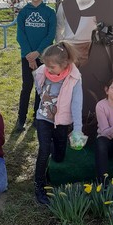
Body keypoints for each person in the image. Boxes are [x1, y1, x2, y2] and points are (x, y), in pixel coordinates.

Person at [33, 42, 84, 205]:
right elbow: (39, 86)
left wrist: (77, 129)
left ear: (64, 64)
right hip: (44, 118)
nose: (48, 69)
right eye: (46, 65)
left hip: (62, 122)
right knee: (44, 150)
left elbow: (77, 104)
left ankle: (54, 155)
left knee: (59, 155)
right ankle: (39, 184)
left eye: (52, 66)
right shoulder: (43, 71)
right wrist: (45, 103)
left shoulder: (74, 78)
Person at [16, 0, 56, 132]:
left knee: (41, 87)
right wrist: (29, 55)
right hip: (26, 56)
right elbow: (21, 35)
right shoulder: (24, 13)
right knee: (26, 86)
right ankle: (21, 118)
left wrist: (38, 53)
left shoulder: (49, 12)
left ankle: (38, 117)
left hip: (44, 56)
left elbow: (50, 35)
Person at [56, 0, 97, 67]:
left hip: (89, 45)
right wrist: (61, 43)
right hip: (70, 45)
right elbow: (59, 26)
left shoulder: (95, 4)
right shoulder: (65, 4)